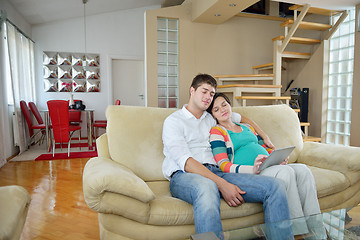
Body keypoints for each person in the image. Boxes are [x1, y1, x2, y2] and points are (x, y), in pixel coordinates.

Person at [162, 74, 293, 239]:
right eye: (204, 91)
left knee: (275, 186)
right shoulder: (174, 121)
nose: (208, 97)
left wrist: (264, 136)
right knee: (207, 187)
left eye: (211, 93)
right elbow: (186, 163)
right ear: (192, 91)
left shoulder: (211, 117)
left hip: (218, 172)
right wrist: (222, 184)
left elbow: (242, 118)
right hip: (185, 176)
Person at [208, 92, 326, 237]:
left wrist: (277, 157)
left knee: (303, 170)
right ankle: (298, 232)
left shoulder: (246, 127)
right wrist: (252, 168)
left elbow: (263, 146)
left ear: (230, 105)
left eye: (224, 105)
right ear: (213, 115)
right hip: (250, 173)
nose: (222, 110)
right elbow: (222, 164)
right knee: (286, 173)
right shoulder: (217, 131)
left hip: (267, 165)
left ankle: (317, 231)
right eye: (216, 109)